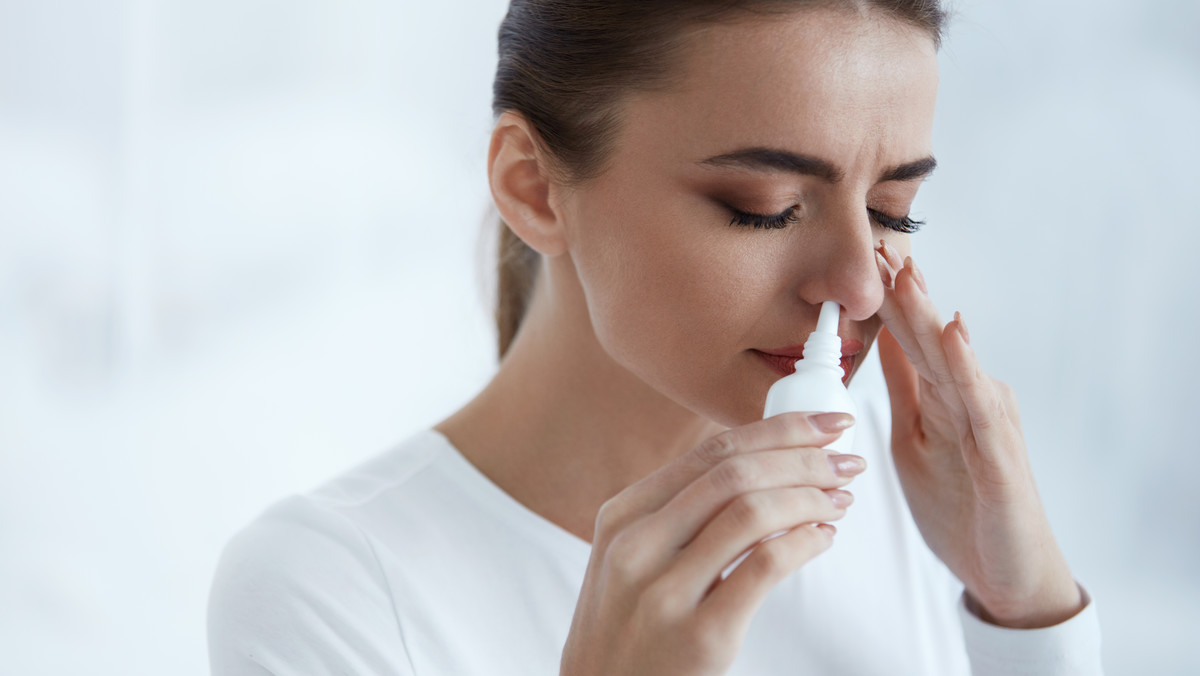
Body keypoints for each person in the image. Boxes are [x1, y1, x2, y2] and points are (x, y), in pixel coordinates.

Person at [207, 1, 1104, 674]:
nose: (861, 285)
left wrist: (1027, 613)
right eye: (767, 209)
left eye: (892, 211)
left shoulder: (905, 493)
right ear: (533, 188)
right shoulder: (331, 589)